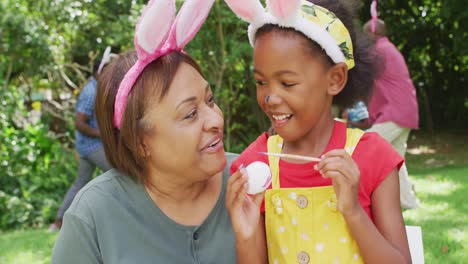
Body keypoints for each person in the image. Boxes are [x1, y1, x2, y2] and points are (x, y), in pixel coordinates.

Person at [51, 0, 250, 263]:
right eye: (190, 114)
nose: (215, 119)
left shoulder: (251, 181)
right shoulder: (92, 217)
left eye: (210, 100)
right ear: (139, 142)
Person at [223, 0, 412, 263]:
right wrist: (245, 236)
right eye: (261, 82)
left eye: (287, 83)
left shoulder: (374, 156)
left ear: (335, 79)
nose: (270, 98)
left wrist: (353, 211)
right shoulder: (254, 164)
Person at [48, 56, 112, 232]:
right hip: (91, 147)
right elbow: (79, 123)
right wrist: (104, 133)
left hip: (89, 147)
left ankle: (58, 221)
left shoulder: (98, 88)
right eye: (107, 70)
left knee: (80, 183)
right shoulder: (90, 92)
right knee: (119, 171)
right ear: (99, 72)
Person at [364, 18, 420, 209]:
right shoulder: (389, 49)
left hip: (396, 113)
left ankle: (362, 199)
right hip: (406, 112)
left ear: (374, 34)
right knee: (396, 160)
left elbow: (366, 80)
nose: (364, 38)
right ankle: (409, 202)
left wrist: (370, 115)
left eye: (366, 34)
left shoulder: (379, 51)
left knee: (364, 145)